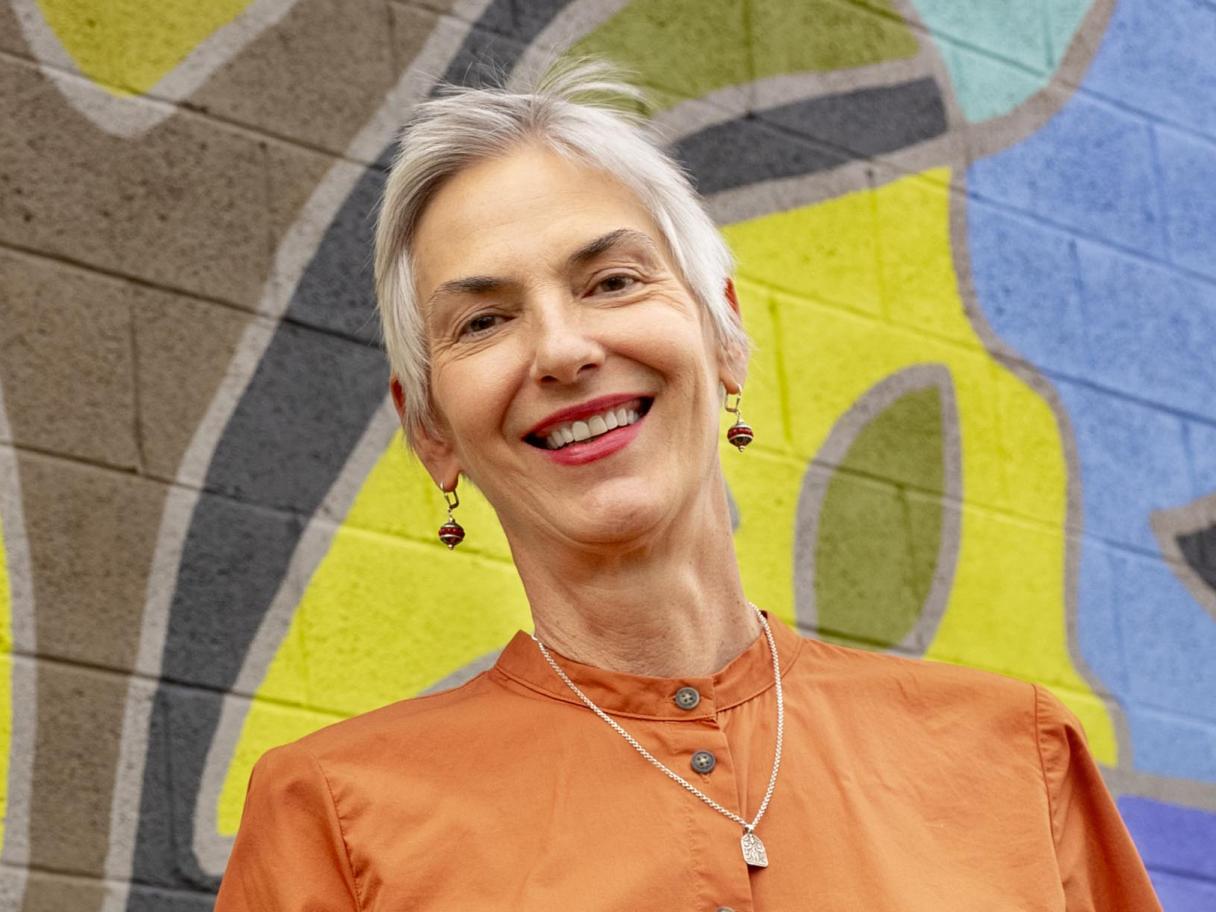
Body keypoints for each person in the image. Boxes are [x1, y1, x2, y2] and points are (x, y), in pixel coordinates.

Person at [214, 59, 1162, 911]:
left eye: (614, 282)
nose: (564, 350)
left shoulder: (1013, 756)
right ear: (431, 433)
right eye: (485, 322)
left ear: (724, 338)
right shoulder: (331, 821)